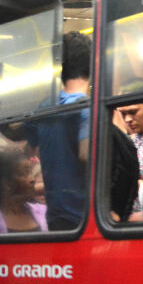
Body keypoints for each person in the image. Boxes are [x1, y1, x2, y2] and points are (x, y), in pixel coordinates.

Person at [24, 32, 91, 231]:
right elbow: (87, 155)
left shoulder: (43, 108)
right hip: (84, 219)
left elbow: (26, 147)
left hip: (55, 216)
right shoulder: (87, 109)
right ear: (93, 65)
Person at [0, 148, 48, 234]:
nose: (33, 179)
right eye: (25, 173)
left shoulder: (43, 211)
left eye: (31, 172)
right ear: (6, 183)